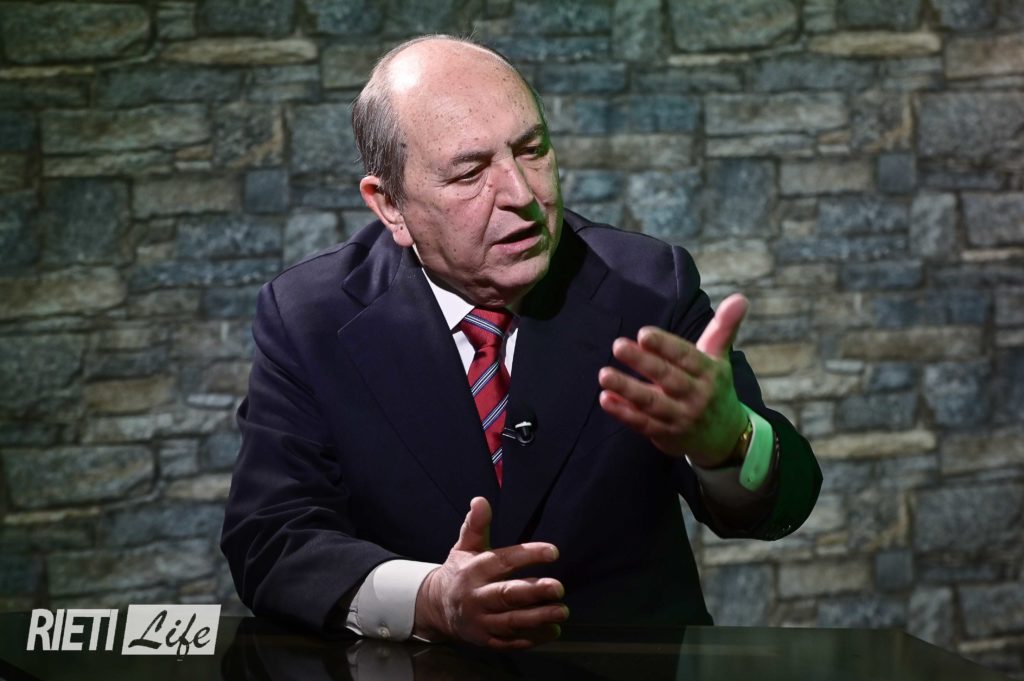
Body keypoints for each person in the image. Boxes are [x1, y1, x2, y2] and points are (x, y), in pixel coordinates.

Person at [221, 35, 821, 650]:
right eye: (470, 172)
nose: (521, 194)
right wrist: (427, 600)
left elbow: (787, 499)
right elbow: (271, 537)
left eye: (532, 151)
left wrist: (731, 444)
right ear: (391, 206)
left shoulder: (646, 287)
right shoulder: (308, 319)